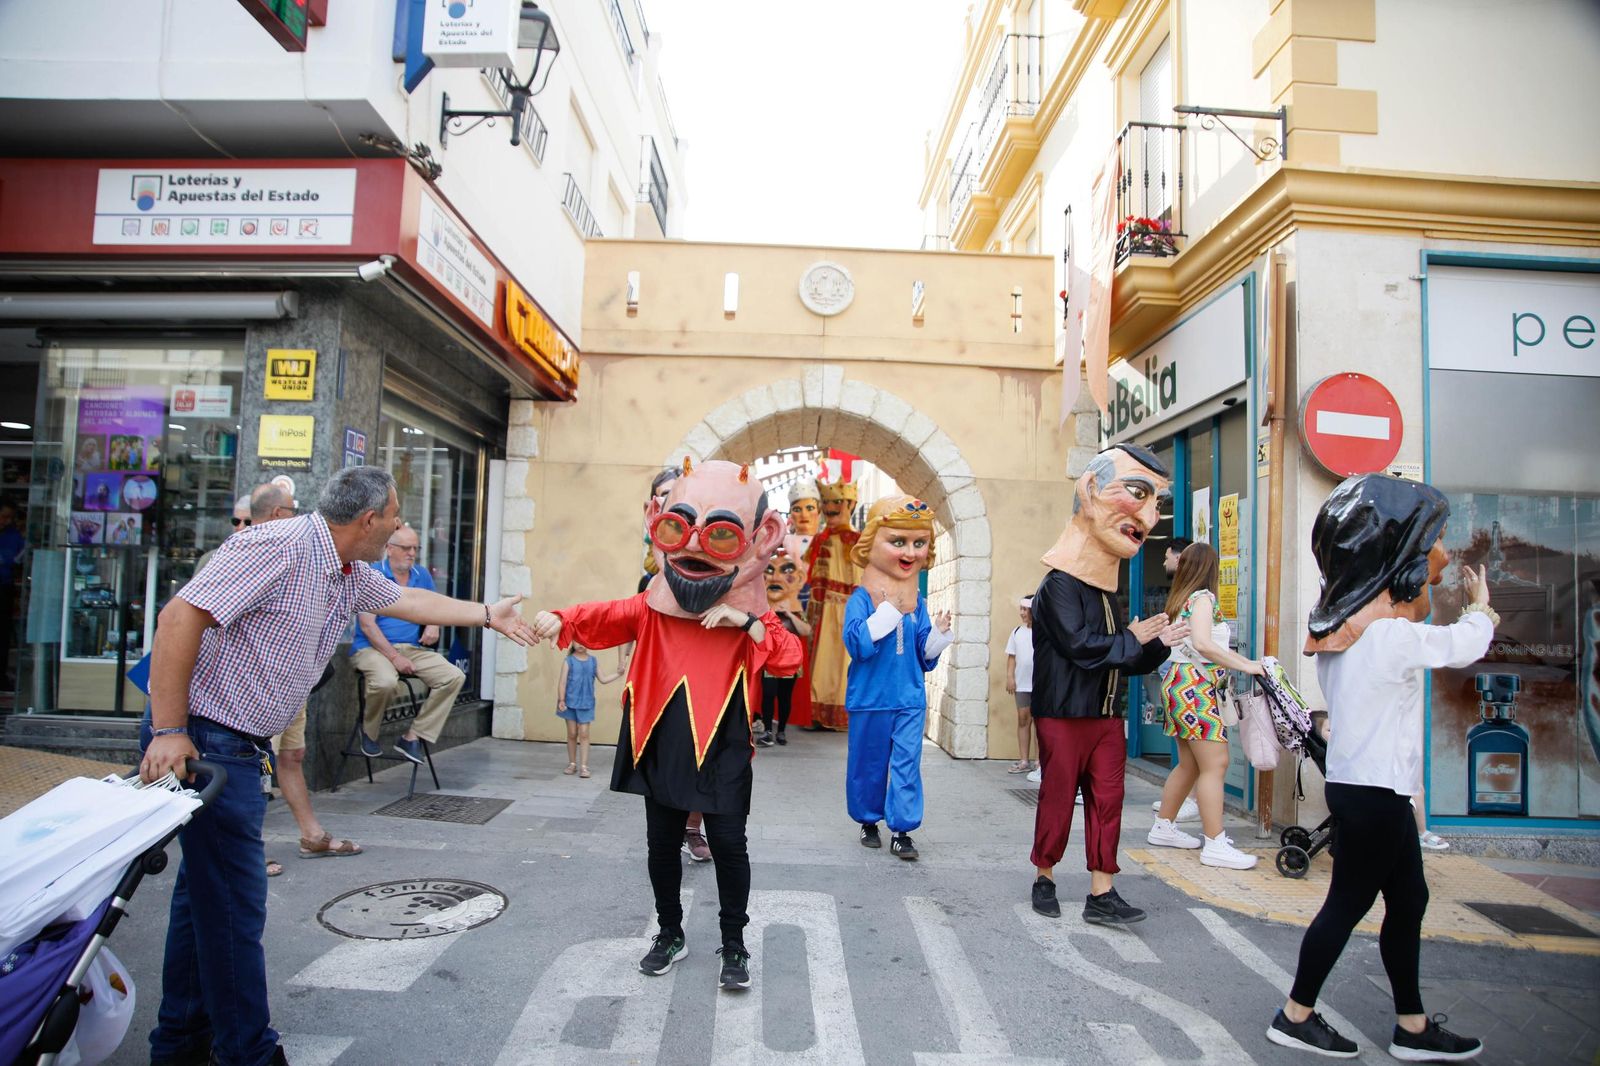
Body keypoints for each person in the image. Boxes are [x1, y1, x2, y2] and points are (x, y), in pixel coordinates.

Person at [138, 466, 537, 1066]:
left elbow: (409, 599)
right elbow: (178, 618)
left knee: (205, 901)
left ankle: (180, 1040)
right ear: (368, 520)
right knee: (233, 907)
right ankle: (247, 1052)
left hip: (236, 741)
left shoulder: (347, 570)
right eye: (397, 515)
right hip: (206, 738)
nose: (403, 524)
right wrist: (169, 729)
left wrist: (488, 614)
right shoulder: (276, 546)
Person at [530, 459, 801, 992]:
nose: (695, 547)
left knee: (729, 847)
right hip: (660, 743)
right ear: (659, 523)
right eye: (678, 527)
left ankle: (735, 946)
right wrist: (561, 618)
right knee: (660, 845)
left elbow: (788, 657)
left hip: (723, 751)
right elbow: (607, 615)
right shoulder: (654, 607)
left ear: (758, 538)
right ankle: (670, 933)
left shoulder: (754, 616)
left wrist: (746, 621)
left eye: (720, 535)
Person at [1268, 473, 1490, 1062]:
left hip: (1363, 788)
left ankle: (1412, 1026)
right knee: (1347, 904)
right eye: (1429, 544)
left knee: (1409, 899)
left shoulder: (1340, 636)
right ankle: (1296, 1015)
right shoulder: (1388, 635)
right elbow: (1460, 646)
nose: (1438, 556)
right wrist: (1482, 609)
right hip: (1374, 793)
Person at [1028, 444, 1188, 925]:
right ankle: (1045, 875)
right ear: (1092, 489)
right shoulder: (1058, 586)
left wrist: (1158, 644)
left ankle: (1102, 889)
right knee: (1058, 796)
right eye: (1138, 493)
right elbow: (1082, 646)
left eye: (1156, 503)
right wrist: (1132, 638)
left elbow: (1119, 657)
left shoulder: (1103, 592)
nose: (1150, 518)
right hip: (1062, 713)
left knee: (1108, 801)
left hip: (1104, 717)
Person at [240, 481, 362, 874]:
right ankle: (248, 849)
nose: (303, 518)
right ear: (277, 515)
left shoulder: (309, 555)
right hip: (256, 689)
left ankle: (311, 834)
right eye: (294, 510)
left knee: (291, 755)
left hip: (293, 686)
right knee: (255, 766)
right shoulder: (248, 552)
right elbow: (181, 621)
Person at [843, 495, 953, 859]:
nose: (910, 552)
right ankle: (868, 820)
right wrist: (890, 610)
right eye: (899, 542)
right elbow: (857, 643)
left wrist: (936, 634)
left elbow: (922, 652)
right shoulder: (861, 598)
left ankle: (902, 830)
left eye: (919, 543)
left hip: (908, 698)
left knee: (906, 764)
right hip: (870, 697)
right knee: (868, 764)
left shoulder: (917, 602)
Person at [1147, 541, 1265, 869]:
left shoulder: (1180, 600)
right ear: (1210, 569)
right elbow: (1203, 644)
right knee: (1216, 765)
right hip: (1196, 688)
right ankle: (1215, 843)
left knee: (1190, 764)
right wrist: (1248, 665)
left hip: (1178, 684)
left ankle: (1164, 826)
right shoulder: (1202, 599)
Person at [350, 522, 467, 766]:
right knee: (385, 681)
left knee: (453, 676)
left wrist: (433, 624)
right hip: (372, 648)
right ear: (389, 548)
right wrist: (394, 658)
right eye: (406, 548)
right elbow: (368, 625)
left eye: (415, 548)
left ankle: (412, 736)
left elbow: (434, 607)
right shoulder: (373, 573)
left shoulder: (421, 575)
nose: (412, 554)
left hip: (411, 648)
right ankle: (369, 733)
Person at [804, 470, 861, 730]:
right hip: (824, 608)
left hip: (851, 607)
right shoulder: (820, 540)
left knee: (844, 660)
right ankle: (817, 710)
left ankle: (842, 711)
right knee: (823, 660)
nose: (830, 508)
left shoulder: (859, 541)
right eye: (826, 503)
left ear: (850, 505)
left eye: (836, 502)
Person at [758, 545, 811, 747]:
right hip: (771, 660)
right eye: (769, 571)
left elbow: (806, 630)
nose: (775, 578)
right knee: (768, 694)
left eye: (786, 571)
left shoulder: (797, 610)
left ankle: (781, 731)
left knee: (785, 696)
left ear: (797, 579)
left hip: (790, 661)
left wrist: (789, 615)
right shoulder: (762, 608)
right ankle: (767, 730)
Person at [556, 643, 620, 777]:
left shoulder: (593, 661)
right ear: (573, 642)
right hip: (569, 702)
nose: (580, 644)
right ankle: (572, 763)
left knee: (584, 734)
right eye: (577, 640)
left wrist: (618, 673)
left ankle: (584, 766)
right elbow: (562, 682)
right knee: (572, 733)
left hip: (587, 702)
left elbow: (603, 679)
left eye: (584, 640)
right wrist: (561, 700)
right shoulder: (569, 661)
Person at [1005, 596, 1036, 774]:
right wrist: (1010, 677)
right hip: (1022, 684)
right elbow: (1012, 657)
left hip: (1038, 684)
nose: (1022, 613)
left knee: (1040, 722)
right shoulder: (1017, 632)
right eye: (1021, 609)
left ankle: (1040, 761)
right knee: (1023, 719)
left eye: (1025, 609)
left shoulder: (1043, 632)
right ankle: (1024, 760)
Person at [0, 502, 25, 688]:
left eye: (9, 517)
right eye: (4, 516)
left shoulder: (13, 536)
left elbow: (20, 557)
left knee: (3, 634)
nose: (6, 521)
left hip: (4, 586)